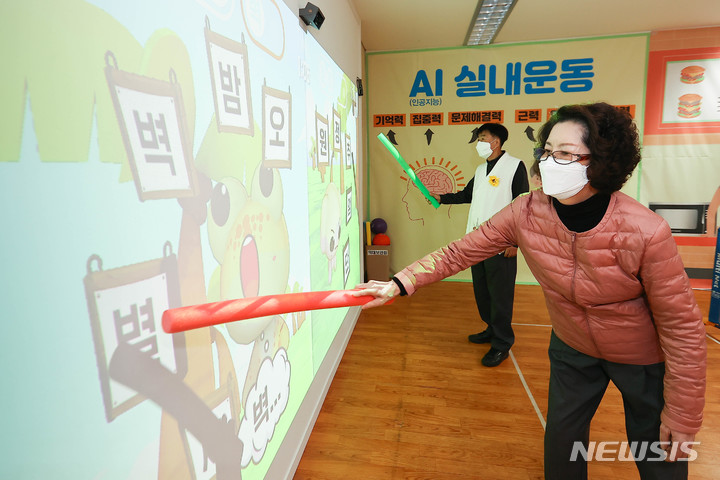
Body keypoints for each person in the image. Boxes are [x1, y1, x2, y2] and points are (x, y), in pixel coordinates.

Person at [356, 102, 706, 479]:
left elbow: (683, 328)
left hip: (640, 357)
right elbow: (460, 251)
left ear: (602, 161)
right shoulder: (525, 212)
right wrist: (399, 282)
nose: (550, 162)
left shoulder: (647, 231)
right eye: (548, 151)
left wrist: (684, 412)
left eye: (567, 154)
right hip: (572, 347)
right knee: (562, 442)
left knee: (658, 451)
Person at [431, 123, 529, 367]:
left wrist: (515, 242)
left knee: (501, 296)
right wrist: (441, 198)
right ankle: (490, 329)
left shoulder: (515, 166)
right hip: (477, 241)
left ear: (495, 142)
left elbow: (522, 206)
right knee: (483, 291)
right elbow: (467, 195)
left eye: (482, 138)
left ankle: (502, 343)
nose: (479, 143)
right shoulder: (481, 168)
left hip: (501, 242)